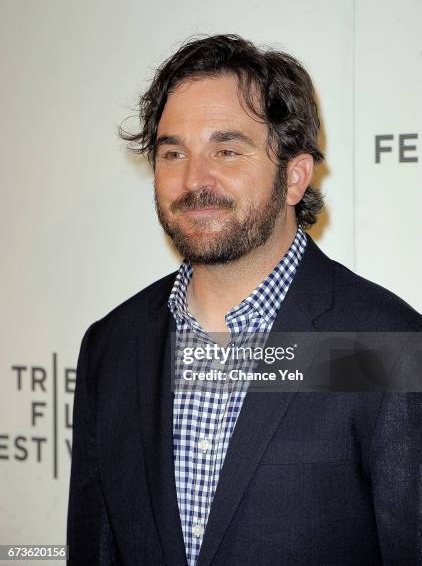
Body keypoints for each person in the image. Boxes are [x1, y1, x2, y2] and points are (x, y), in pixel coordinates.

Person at [67, 34, 422, 565]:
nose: (193, 180)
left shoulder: (385, 346)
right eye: (172, 152)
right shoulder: (112, 347)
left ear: (294, 177)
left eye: (227, 150)